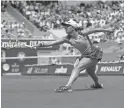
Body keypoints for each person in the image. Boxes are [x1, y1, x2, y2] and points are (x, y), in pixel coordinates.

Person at [28, 19, 119, 92]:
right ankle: (97, 84)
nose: (65, 28)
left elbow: (95, 30)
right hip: (86, 56)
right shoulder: (66, 39)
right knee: (90, 72)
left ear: (73, 27)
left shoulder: (82, 33)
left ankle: (68, 86)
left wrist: (107, 30)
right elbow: (53, 42)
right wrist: (39, 44)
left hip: (93, 54)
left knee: (77, 68)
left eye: (67, 26)